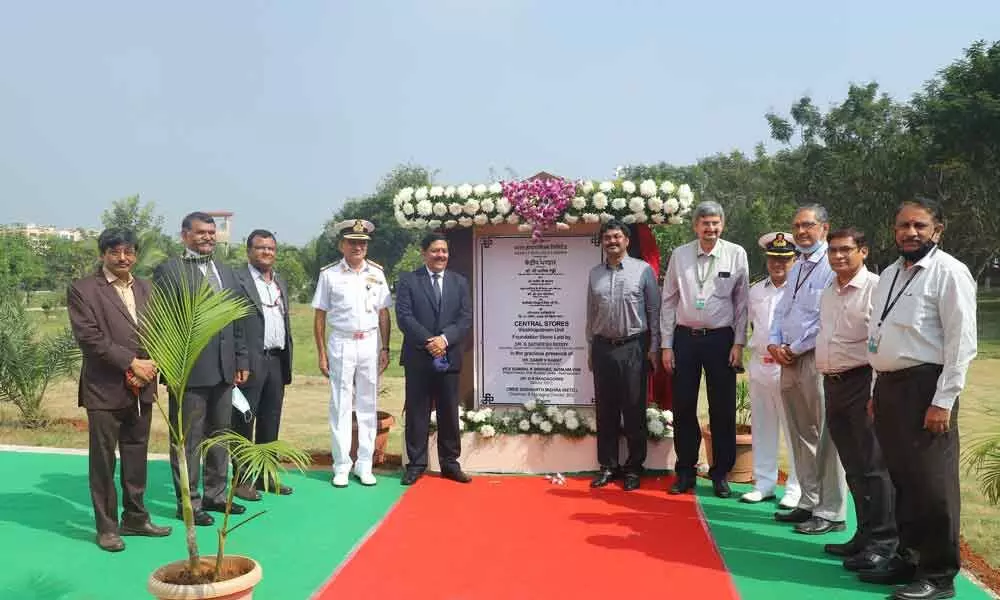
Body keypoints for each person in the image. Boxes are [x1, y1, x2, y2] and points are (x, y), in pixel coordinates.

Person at [859, 199, 976, 600]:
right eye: (902, 226)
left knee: (933, 485)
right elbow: (880, 334)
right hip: (890, 389)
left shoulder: (950, 273)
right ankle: (907, 559)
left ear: (937, 230)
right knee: (903, 480)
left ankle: (939, 575)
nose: (910, 232)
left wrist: (943, 400)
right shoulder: (890, 273)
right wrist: (877, 388)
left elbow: (962, 344)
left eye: (919, 226)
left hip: (926, 388)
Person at [67, 228, 172, 552]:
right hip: (104, 388)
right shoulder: (83, 290)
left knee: (136, 454)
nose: (122, 258)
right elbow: (90, 338)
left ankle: (136, 518)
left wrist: (150, 366)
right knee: (103, 462)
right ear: (103, 255)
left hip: (141, 387)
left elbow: (160, 329)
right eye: (115, 252)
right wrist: (131, 363)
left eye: (128, 252)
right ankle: (107, 528)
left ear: (135, 255)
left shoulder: (146, 288)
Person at [154, 212, 249, 526]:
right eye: (200, 233)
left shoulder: (226, 271)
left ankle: (216, 494)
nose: (208, 237)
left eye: (211, 232)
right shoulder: (170, 270)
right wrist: (169, 368)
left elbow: (237, 319)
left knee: (220, 435)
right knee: (188, 440)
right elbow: (162, 321)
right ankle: (188, 503)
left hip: (224, 370)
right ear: (184, 236)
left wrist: (241, 359)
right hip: (189, 371)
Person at [815, 227, 897, 567]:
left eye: (846, 250)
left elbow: (882, 342)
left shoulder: (876, 288)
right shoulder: (829, 291)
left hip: (863, 382)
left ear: (863, 251)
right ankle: (864, 534)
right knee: (853, 466)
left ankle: (884, 542)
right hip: (833, 385)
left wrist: (876, 390)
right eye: (833, 250)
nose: (838, 256)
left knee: (874, 466)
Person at [660, 200, 749, 498]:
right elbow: (669, 301)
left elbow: (742, 303)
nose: (710, 229)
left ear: (722, 225)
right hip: (685, 338)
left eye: (715, 223)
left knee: (722, 407)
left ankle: (720, 472)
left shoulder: (736, 254)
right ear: (695, 226)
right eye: (704, 224)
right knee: (683, 405)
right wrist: (666, 345)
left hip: (721, 339)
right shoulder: (680, 255)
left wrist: (739, 342)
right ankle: (685, 470)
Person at [767, 204, 847, 535]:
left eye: (808, 226)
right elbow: (782, 309)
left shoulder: (832, 264)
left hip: (814, 358)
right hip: (788, 359)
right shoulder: (798, 265)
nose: (802, 232)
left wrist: (794, 348)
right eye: (798, 225)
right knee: (800, 435)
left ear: (824, 228)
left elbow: (825, 318)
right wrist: (774, 342)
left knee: (825, 438)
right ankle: (808, 502)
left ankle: (831, 511)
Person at [312, 219, 392, 488]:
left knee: (368, 404)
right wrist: (322, 353)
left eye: (363, 243)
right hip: (342, 342)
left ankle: (365, 464)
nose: (358, 247)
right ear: (341, 245)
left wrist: (385, 347)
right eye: (352, 242)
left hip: (370, 341)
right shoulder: (330, 274)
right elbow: (320, 316)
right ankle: (342, 465)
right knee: (340, 405)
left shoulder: (377, 273)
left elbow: (383, 313)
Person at [586, 220, 661, 491]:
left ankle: (633, 467)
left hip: (634, 347)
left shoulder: (643, 271)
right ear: (602, 243)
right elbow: (590, 313)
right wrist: (590, 348)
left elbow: (654, 312)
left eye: (617, 236)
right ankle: (607, 466)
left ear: (627, 241)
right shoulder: (595, 274)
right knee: (605, 410)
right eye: (607, 238)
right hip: (603, 347)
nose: (612, 241)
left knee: (633, 409)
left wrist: (654, 349)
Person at [395, 231, 473, 486]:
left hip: (449, 356)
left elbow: (465, 318)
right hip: (419, 357)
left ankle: (450, 463)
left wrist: (444, 340)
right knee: (417, 412)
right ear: (424, 252)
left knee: (449, 412)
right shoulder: (408, 281)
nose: (441, 255)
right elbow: (405, 317)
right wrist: (430, 341)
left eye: (444, 251)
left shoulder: (459, 282)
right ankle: (416, 464)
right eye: (435, 251)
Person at [231, 230, 294, 501]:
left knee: (271, 421)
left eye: (270, 248)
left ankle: (266, 475)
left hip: (277, 360)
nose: (266, 252)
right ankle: (241, 480)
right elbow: (233, 323)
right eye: (260, 248)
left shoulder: (279, 281)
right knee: (244, 421)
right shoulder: (238, 280)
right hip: (250, 361)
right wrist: (239, 359)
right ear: (249, 251)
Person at [740, 232, 801, 509]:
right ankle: (764, 483)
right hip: (761, 363)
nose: (778, 264)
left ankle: (796, 487)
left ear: (795, 259)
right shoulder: (756, 291)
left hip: (789, 365)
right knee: (762, 426)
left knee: (793, 429)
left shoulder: (801, 290)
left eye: (785, 259)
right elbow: (752, 325)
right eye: (774, 259)